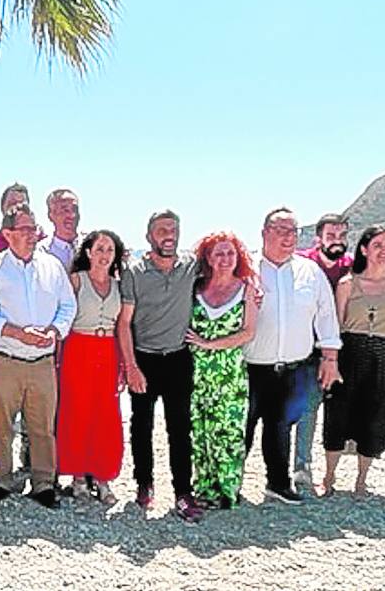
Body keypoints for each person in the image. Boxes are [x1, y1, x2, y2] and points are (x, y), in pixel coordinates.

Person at [0, 203, 76, 509]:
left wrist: (55, 332)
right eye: (25, 229)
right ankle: (1, 480)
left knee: (42, 427)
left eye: (34, 229)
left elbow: (67, 306)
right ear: (7, 233)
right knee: (1, 425)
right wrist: (18, 333)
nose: (32, 235)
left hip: (42, 362)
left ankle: (44, 482)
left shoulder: (52, 267)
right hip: (4, 360)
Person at [242, 208, 342, 506]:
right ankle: (229, 483)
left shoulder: (310, 271)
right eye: (281, 230)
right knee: (241, 429)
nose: (288, 237)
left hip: (292, 368)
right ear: (264, 233)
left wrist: (330, 358)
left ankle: (277, 484)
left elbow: (326, 317)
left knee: (280, 427)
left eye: (293, 231)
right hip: (249, 367)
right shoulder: (245, 268)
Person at [116, 210, 204, 522]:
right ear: (149, 236)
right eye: (161, 229)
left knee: (180, 428)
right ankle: (144, 485)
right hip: (145, 358)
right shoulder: (134, 272)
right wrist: (131, 367)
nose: (169, 234)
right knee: (142, 426)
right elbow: (124, 323)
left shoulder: (192, 265)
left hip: (179, 357)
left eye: (173, 229)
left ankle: (183, 492)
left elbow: (230, 268)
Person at [321, 225, 385, 498]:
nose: (384, 250)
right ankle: (329, 477)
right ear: (364, 249)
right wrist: (331, 361)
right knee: (337, 414)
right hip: (351, 350)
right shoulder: (348, 283)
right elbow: (336, 327)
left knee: (378, 415)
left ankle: (362, 480)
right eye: (377, 245)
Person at [184, 231, 258, 510]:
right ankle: (203, 488)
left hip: (229, 373)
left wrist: (209, 343)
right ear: (208, 258)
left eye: (230, 253)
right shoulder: (196, 288)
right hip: (197, 372)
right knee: (200, 429)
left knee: (228, 431)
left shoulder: (246, 290)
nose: (225, 259)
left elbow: (248, 332)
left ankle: (227, 491)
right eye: (219, 254)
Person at [57, 230, 125, 505]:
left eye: (109, 249)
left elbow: (123, 326)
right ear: (88, 252)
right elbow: (62, 318)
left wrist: (123, 362)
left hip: (108, 350)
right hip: (78, 348)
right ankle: (77, 476)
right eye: (99, 248)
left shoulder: (120, 285)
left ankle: (102, 475)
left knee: (106, 413)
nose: (104, 254)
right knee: (77, 411)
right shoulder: (76, 281)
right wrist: (56, 359)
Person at [292, 213, 353, 492]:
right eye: (331, 236)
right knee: (307, 408)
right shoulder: (302, 263)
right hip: (305, 347)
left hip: (342, 347)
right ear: (319, 238)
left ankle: (334, 469)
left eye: (342, 236)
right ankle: (301, 467)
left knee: (338, 408)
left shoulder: (352, 266)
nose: (337, 242)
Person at [0, 183, 45, 251]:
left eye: (22, 204)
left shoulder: (41, 239)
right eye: (12, 204)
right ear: (2, 208)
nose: (17, 207)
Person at [36, 188, 81, 270]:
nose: (72, 215)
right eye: (65, 210)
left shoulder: (93, 246)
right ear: (51, 215)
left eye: (75, 209)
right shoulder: (41, 252)